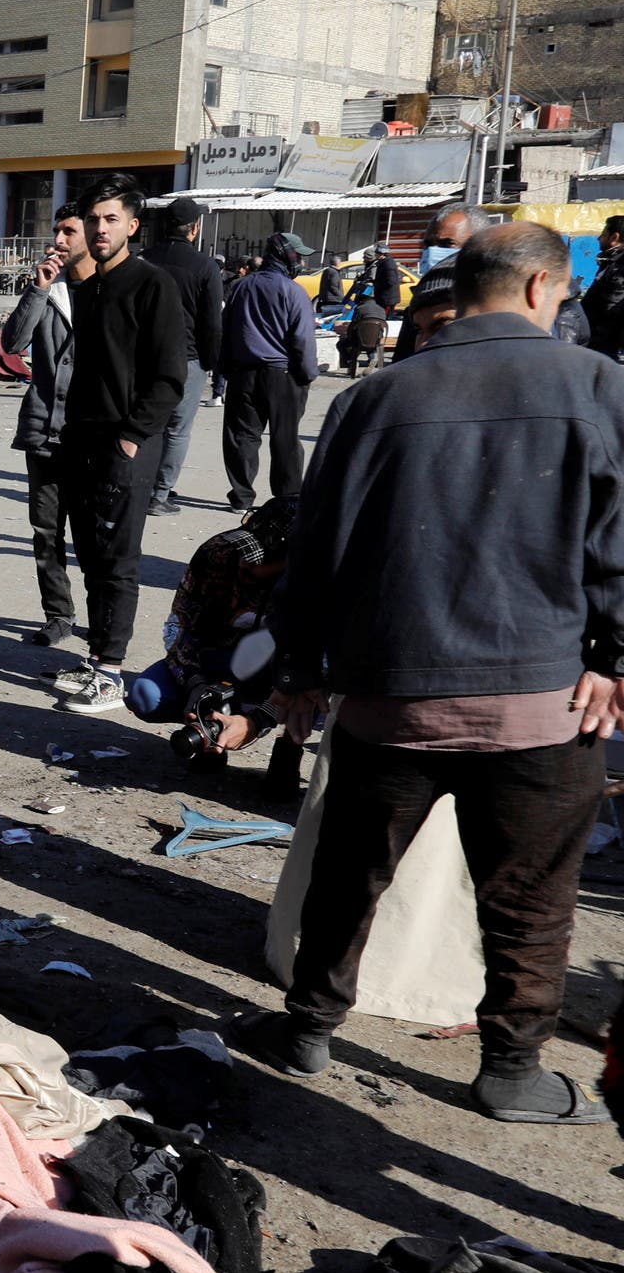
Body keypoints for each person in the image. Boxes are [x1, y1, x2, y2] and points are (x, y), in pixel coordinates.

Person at [262, 222, 624, 1124]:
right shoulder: (598, 387)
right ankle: (511, 1069)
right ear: (545, 289)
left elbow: (316, 549)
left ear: (461, 290)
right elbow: (620, 547)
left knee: (350, 874)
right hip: (541, 703)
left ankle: (307, 1026)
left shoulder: (373, 398)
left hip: (390, 700)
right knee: (532, 898)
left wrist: (301, 667)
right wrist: (615, 661)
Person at [51, 172, 185, 715]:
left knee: (117, 558)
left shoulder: (153, 284)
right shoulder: (90, 287)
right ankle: (97, 656)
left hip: (126, 443)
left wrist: (131, 439)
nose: (99, 228)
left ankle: (111, 671)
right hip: (81, 438)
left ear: (133, 225)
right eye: (93, 219)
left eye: (111, 219)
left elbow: (169, 377)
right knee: (90, 554)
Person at [126, 498, 304, 789]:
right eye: (249, 547)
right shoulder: (218, 553)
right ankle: (210, 733)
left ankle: (289, 751)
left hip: (288, 671)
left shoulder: (318, 582)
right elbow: (178, 626)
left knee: (317, 694)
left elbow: (323, 668)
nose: (246, 560)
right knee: (147, 695)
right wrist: (195, 683)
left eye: (261, 558)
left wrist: (259, 719)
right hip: (222, 654)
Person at [3, 203, 89, 649]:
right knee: (46, 531)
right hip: (44, 429)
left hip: (93, 434)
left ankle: (105, 621)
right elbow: (13, 344)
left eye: (68, 231)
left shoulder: (113, 290)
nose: (58, 240)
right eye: (56, 230)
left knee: (95, 536)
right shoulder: (47, 290)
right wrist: (38, 290)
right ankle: (58, 614)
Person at [218, 231, 317, 512]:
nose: (302, 263)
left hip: (243, 374)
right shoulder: (294, 292)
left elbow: (225, 331)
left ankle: (241, 497)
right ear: (285, 255)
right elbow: (303, 339)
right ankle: (287, 498)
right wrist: (307, 373)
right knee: (285, 438)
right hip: (283, 375)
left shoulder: (241, 287)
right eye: (298, 256)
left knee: (242, 437)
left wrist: (223, 370)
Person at [141, 197, 223, 517]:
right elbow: (212, 323)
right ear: (195, 229)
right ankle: (159, 493)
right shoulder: (205, 266)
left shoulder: (144, 260)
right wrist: (211, 361)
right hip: (187, 358)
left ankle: (142, 483)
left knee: (149, 424)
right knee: (178, 428)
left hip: (145, 356)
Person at [393, 204, 488, 360]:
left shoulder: (489, 306)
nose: (432, 252)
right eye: (428, 245)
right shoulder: (418, 308)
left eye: (447, 244)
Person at [581, 215, 624, 360]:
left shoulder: (619, 267)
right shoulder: (612, 262)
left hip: (603, 346)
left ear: (615, 237)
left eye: (603, 235)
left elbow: (611, 310)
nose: (599, 239)